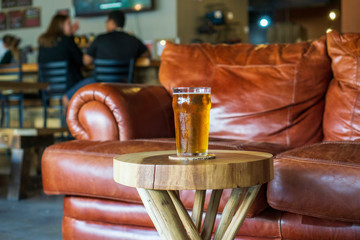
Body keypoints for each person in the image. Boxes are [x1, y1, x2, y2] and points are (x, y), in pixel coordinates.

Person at [63, 10, 150, 104]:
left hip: (99, 84)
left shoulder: (100, 39)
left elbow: (85, 61)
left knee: (66, 98)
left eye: (106, 22)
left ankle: (71, 118)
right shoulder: (133, 39)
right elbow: (147, 55)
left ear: (111, 22)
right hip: (124, 85)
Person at [37, 14, 83, 92]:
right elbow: (80, 60)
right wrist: (71, 35)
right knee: (93, 81)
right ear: (61, 25)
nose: (71, 26)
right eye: (69, 23)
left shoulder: (43, 41)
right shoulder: (67, 40)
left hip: (47, 89)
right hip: (69, 88)